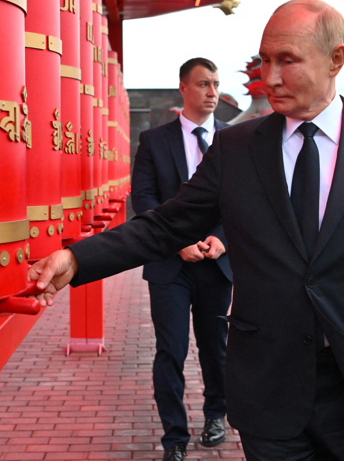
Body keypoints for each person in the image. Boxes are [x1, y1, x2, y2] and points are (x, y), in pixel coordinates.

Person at [30, 0, 344, 461]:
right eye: (266, 60)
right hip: (267, 382)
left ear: (336, 58)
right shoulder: (237, 147)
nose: (270, 77)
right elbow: (167, 224)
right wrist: (77, 257)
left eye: (287, 61)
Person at [132, 57, 233, 461]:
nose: (213, 92)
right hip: (169, 265)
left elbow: (243, 200)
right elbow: (143, 199)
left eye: (216, 84)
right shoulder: (155, 141)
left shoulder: (234, 140)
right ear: (184, 88)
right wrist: (176, 243)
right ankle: (174, 437)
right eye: (204, 84)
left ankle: (216, 416)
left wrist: (221, 238)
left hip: (216, 262)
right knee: (170, 349)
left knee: (216, 347)